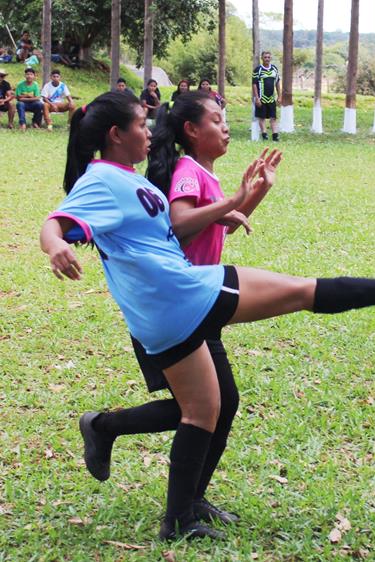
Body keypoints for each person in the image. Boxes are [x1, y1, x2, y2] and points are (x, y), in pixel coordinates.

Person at [40, 90, 375, 540]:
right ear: (115, 135)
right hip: (183, 296)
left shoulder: (126, 178)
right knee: (300, 292)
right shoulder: (100, 180)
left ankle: (178, 511)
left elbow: (184, 230)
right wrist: (55, 243)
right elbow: (56, 222)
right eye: (140, 125)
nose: (150, 133)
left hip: (172, 305)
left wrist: (247, 197)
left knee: (205, 408)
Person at [77, 91, 277, 537]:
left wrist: (253, 193)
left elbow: (230, 219)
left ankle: (189, 499)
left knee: (214, 405)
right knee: (204, 407)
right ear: (191, 130)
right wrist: (232, 203)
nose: (226, 127)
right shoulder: (188, 174)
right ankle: (110, 432)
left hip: (200, 303)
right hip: (173, 307)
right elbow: (183, 221)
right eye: (217, 120)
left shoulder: (201, 173)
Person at [252, 51, 280, 141]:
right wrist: (257, 98)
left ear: (270, 58)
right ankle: (264, 134)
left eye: (268, 57)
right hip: (261, 98)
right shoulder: (258, 70)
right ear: (262, 58)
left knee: (273, 117)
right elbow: (254, 84)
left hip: (271, 98)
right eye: (265, 57)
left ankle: (275, 135)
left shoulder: (274, 69)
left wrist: (280, 96)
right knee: (262, 117)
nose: (267, 59)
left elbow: (277, 83)